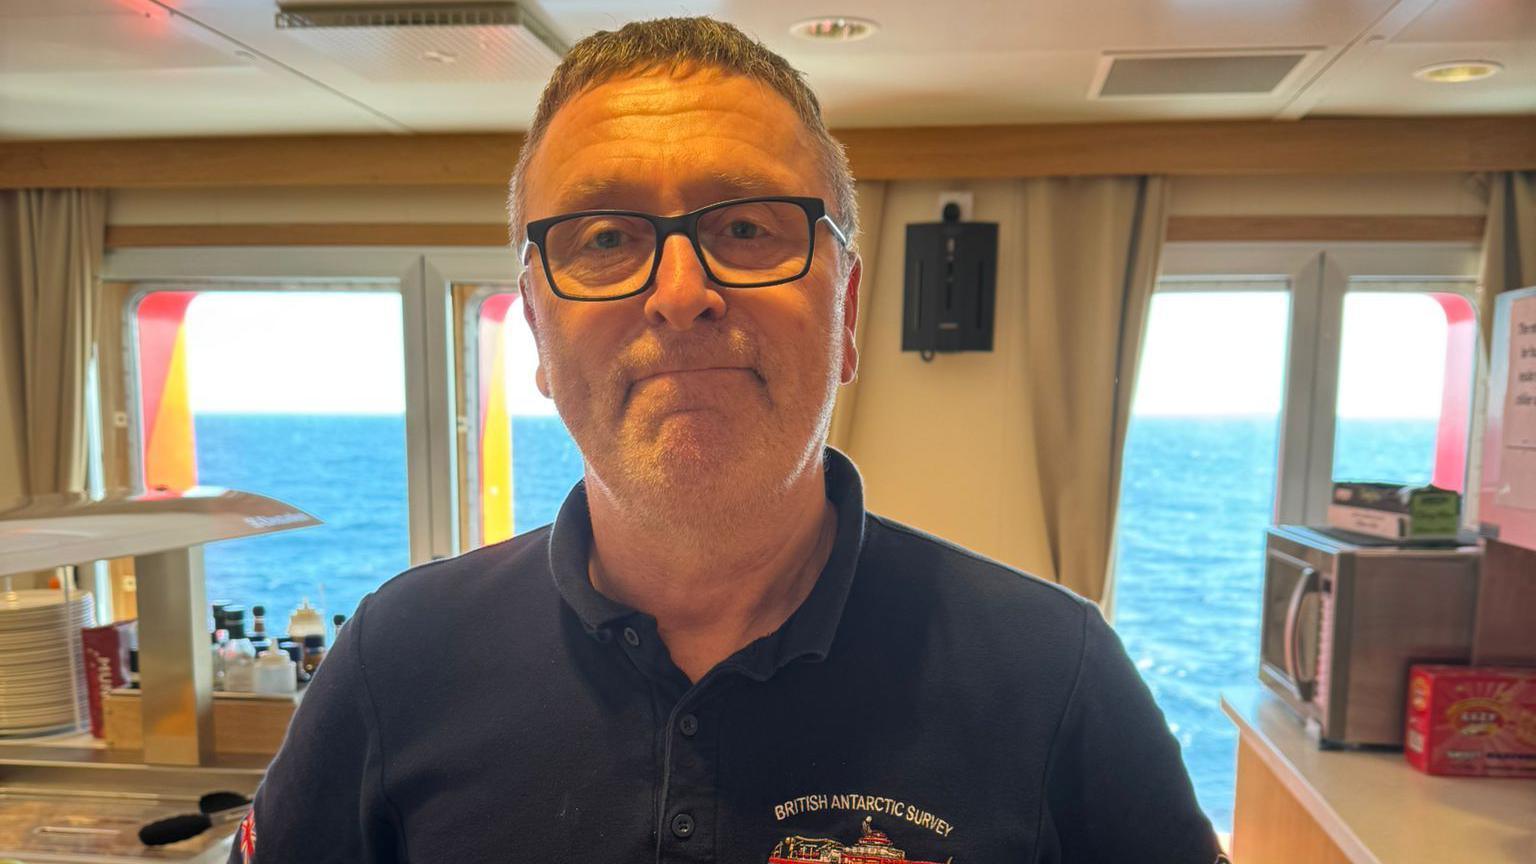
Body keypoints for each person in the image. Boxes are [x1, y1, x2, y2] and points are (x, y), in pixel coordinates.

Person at [231, 16, 1226, 864]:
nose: (679, 295)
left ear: (846, 314)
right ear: (536, 329)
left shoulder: (1060, 678)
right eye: (606, 238)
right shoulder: (394, 663)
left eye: (747, 228)